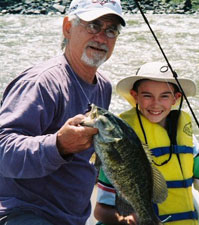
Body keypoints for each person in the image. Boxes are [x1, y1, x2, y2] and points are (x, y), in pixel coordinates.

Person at [0, 0, 126, 224]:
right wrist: (59, 145)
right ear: (68, 27)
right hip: (27, 212)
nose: (101, 37)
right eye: (93, 26)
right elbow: (3, 151)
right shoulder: (41, 83)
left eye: (111, 30)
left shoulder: (103, 86)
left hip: (73, 215)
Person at [93, 62, 199, 225]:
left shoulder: (189, 143)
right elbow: (100, 211)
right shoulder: (121, 142)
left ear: (176, 98)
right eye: (147, 95)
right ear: (135, 96)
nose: (155, 103)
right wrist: (126, 220)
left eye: (164, 96)